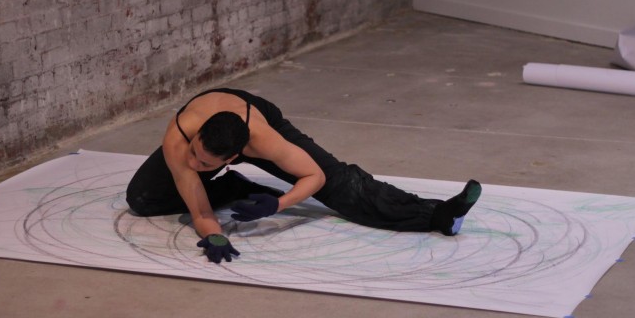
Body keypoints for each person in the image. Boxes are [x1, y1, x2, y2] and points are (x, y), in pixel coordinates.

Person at [126, 88, 481, 264]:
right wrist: (214, 235)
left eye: (207, 164)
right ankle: (233, 187)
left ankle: (437, 214)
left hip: (255, 115)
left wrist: (277, 204)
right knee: (142, 199)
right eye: (195, 155)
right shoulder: (181, 141)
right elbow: (201, 211)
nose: (194, 164)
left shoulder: (265, 140)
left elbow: (316, 177)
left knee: (339, 182)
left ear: (235, 157)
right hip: (217, 118)